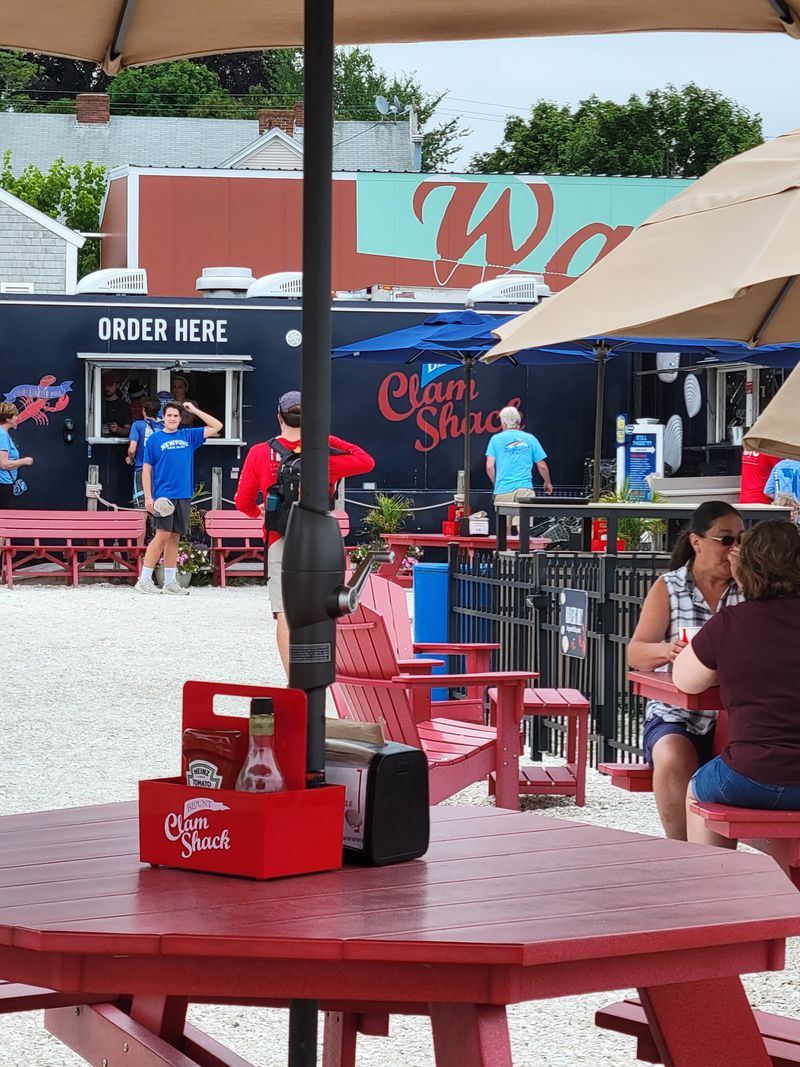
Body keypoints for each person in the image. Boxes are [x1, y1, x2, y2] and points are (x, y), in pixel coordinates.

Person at [673, 521, 800, 846]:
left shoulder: (730, 623)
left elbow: (685, 679)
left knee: (699, 787)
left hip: (750, 774)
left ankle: (710, 880)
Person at [235, 390, 375, 674]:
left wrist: (258, 513)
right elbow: (366, 460)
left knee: (285, 614)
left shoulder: (260, 453)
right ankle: (316, 674)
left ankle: (293, 683)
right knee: (319, 611)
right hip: (318, 542)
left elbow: (242, 502)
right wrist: (323, 438)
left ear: (279, 417)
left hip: (280, 538)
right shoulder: (324, 456)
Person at [627, 501, 744, 840]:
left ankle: (713, 860)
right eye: (725, 540)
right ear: (697, 541)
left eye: (740, 540)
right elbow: (636, 652)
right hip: (677, 712)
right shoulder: (670, 586)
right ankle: (681, 851)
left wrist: (749, 581)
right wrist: (668, 650)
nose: (734, 548)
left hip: (736, 714)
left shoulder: (749, 589)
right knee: (671, 756)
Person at [135, 400, 222, 595]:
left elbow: (217, 426)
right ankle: (144, 580)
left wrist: (195, 410)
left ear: (180, 418)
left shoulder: (189, 436)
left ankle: (170, 582)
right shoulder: (155, 439)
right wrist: (148, 497)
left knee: (175, 537)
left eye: (176, 415)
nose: (173, 418)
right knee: (161, 535)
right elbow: (146, 469)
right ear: (163, 418)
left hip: (184, 494)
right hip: (164, 495)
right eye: (169, 415)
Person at [485, 406, 553, 530]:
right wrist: (547, 482)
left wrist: (497, 483)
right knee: (523, 527)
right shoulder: (530, 439)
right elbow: (542, 466)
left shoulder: (495, 440)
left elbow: (489, 467)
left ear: (504, 423)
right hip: (524, 489)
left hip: (503, 490)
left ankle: (506, 550)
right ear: (518, 422)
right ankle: (523, 549)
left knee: (504, 529)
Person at [126, 397, 164, 507]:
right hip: (161, 470)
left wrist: (130, 458)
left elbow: (132, 449)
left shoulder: (138, 425)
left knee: (142, 502)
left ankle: (142, 525)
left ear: (143, 410)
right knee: (159, 502)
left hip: (142, 468)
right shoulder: (164, 427)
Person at [0, 401, 33, 509]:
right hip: (3, 484)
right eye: (15, 416)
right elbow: (3, 464)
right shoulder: (2, 435)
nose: (17, 418)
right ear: (8, 418)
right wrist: (24, 461)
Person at [101, 372, 132, 438]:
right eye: (104, 385)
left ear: (117, 385)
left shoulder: (124, 406)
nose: (107, 387)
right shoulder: (96, 404)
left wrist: (117, 429)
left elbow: (127, 430)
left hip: (116, 445)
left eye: (110, 384)